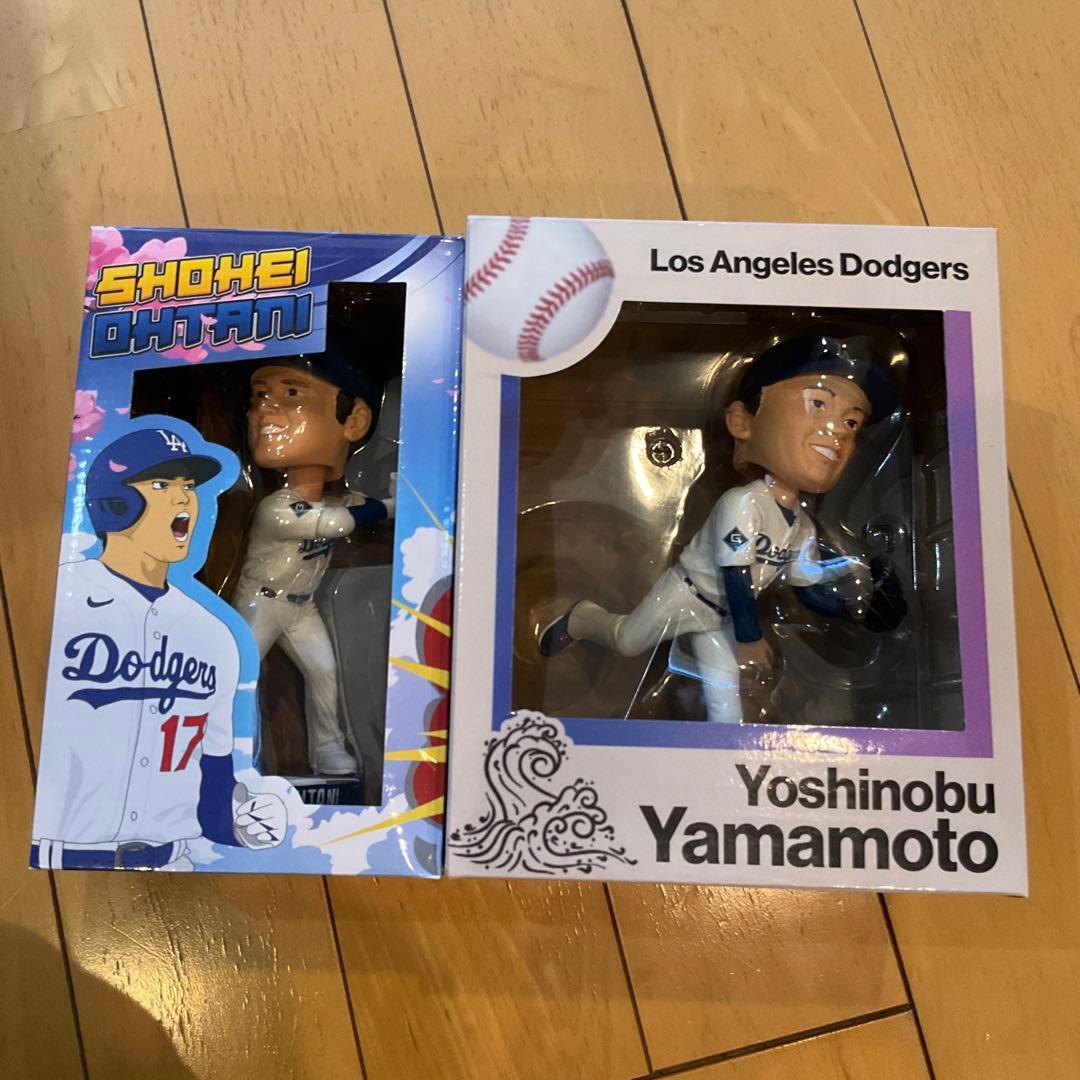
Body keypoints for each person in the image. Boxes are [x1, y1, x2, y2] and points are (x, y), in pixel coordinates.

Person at [539, 334, 902, 723]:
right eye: (817, 403)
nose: (839, 432)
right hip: (685, 594)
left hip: (721, 616)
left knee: (725, 707)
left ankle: (723, 752)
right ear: (742, 421)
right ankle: (582, 618)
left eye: (851, 422)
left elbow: (806, 589)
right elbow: (735, 575)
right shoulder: (744, 502)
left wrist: (854, 611)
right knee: (628, 641)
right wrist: (749, 638)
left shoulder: (802, 527)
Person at [33, 425, 286, 870]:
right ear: (115, 503)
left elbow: (213, 781)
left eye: (187, 486)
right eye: (160, 485)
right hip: (47, 859)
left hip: (175, 866)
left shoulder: (213, 636)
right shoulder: (60, 597)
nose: (184, 498)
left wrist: (245, 826)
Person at [233, 353, 391, 776]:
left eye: (290, 393)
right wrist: (383, 507)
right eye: (259, 396)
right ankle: (229, 750)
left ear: (354, 421)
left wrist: (396, 501)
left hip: (301, 607)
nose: (263, 409)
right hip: (259, 603)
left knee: (324, 671)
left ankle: (328, 749)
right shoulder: (276, 507)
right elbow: (340, 522)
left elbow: (355, 506)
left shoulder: (339, 498)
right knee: (239, 675)